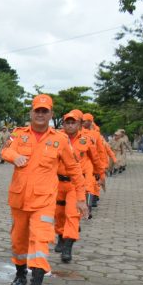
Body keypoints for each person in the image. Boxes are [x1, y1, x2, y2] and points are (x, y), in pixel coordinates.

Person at [1, 94, 87, 285]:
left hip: (44, 201)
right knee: (18, 240)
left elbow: (75, 169)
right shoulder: (18, 135)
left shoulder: (59, 140)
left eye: (44, 111)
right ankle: (20, 274)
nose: (40, 114)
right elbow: (5, 151)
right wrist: (15, 157)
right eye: (37, 111)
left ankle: (37, 283)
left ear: (51, 114)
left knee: (40, 239)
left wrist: (81, 198)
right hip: (19, 198)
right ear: (31, 113)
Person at [54, 110, 98, 263]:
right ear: (63, 124)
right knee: (58, 214)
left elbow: (95, 158)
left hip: (76, 184)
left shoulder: (86, 141)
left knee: (72, 214)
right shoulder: (56, 138)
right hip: (57, 183)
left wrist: (99, 173)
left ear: (79, 124)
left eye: (73, 122)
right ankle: (60, 235)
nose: (70, 125)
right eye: (68, 122)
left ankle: (68, 246)